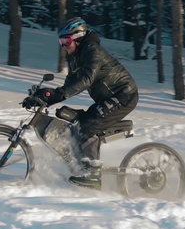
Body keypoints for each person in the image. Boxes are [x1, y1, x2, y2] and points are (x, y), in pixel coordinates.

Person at [22, 17, 139, 190]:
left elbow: (86, 80)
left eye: (66, 41)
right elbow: (69, 86)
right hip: (107, 98)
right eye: (60, 41)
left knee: (89, 125)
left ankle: (93, 174)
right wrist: (47, 96)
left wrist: (56, 94)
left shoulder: (92, 51)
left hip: (123, 95)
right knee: (76, 124)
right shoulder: (75, 57)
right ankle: (82, 166)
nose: (63, 45)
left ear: (77, 37)